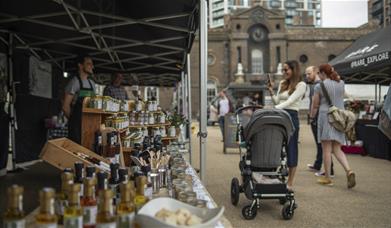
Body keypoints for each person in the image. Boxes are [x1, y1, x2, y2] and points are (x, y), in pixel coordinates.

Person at [310, 63, 356, 188]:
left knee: (326, 149)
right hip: (339, 118)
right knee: (337, 148)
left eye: (319, 73)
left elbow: (315, 105)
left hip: (326, 117)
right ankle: (349, 170)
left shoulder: (319, 86)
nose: (318, 75)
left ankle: (327, 178)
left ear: (323, 73)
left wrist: (311, 116)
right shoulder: (341, 83)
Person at [268, 60, 306, 189]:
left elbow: (290, 101)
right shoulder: (283, 83)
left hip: (291, 117)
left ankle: (290, 182)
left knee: (291, 148)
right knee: (275, 145)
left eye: (286, 70)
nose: (284, 72)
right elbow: (277, 100)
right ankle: (272, 175)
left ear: (294, 70)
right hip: (280, 115)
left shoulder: (301, 85)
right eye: (283, 70)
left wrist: (274, 109)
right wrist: (271, 92)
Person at [305, 66, 335, 177]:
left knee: (323, 145)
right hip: (319, 117)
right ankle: (318, 165)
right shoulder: (316, 85)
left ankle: (329, 170)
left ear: (316, 72)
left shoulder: (317, 85)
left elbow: (315, 105)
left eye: (309, 73)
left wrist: (312, 118)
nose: (307, 76)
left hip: (318, 118)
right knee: (320, 145)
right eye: (306, 74)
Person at [63, 55, 96, 144]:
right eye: (89, 64)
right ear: (80, 65)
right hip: (77, 126)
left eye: (92, 64)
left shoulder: (92, 84)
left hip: (89, 124)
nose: (92, 66)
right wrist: (74, 121)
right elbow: (65, 106)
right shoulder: (74, 82)